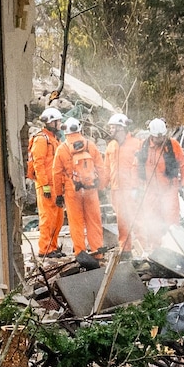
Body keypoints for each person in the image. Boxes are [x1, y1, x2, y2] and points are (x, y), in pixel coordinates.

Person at [131, 117, 184, 252]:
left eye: (162, 137)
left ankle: (175, 249)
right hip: (150, 191)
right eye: (157, 138)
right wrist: (135, 187)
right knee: (152, 222)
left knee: (172, 221)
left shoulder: (173, 145)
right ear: (151, 135)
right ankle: (156, 251)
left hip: (169, 190)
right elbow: (135, 167)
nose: (159, 140)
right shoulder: (143, 147)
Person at [56, 117, 106, 258]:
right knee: (94, 221)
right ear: (80, 129)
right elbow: (101, 168)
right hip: (91, 189)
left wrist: (58, 194)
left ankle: (80, 253)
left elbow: (56, 173)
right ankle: (98, 252)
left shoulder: (62, 148)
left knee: (76, 223)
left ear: (66, 131)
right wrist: (101, 187)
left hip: (72, 191)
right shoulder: (90, 145)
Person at [29, 106, 66, 257]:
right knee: (47, 219)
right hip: (46, 186)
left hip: (55, 186)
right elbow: (38, 164)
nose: (60, 124)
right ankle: (45, 249)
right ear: (51, 122)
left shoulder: (53, 139)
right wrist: (44, 186)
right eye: (58, 122)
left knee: (58, 218)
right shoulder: (41, 139)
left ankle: (53, 247)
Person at [102, 113, 137, 248]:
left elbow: (141, 168)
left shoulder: (135, 144)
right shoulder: (111, 146)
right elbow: (106, 169)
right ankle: (125, 249)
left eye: (112, 127)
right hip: (116, 190)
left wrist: (138, 188)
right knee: (121, 221)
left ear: (121, 128)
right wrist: (101, 186)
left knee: (136, 219)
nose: (110, 130)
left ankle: (145, 248)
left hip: (131, 190)